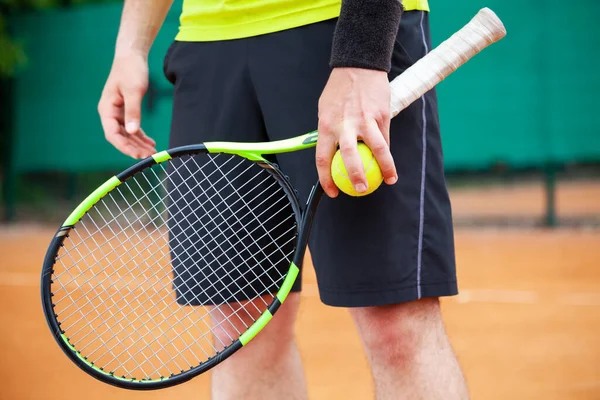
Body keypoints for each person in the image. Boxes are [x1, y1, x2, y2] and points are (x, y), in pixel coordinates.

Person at [98, 0, 469, 398]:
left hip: (340, 29)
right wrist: (130, 48)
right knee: (240, 329)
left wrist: (363, 54)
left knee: (396, 325)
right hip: (209, 42)